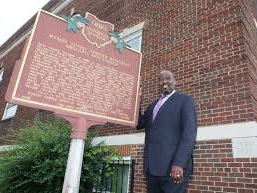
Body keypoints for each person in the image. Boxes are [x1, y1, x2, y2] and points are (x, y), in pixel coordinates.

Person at [137, 70, 197, 193]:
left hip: (173, 169)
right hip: (151, 170)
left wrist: (180, 163)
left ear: (174, 81)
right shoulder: (152, 106)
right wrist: (137, 101)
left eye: (168, 78)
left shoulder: (185, 101)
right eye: (160, 79)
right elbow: (139, 124)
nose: (164, 81)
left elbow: (189, 134)